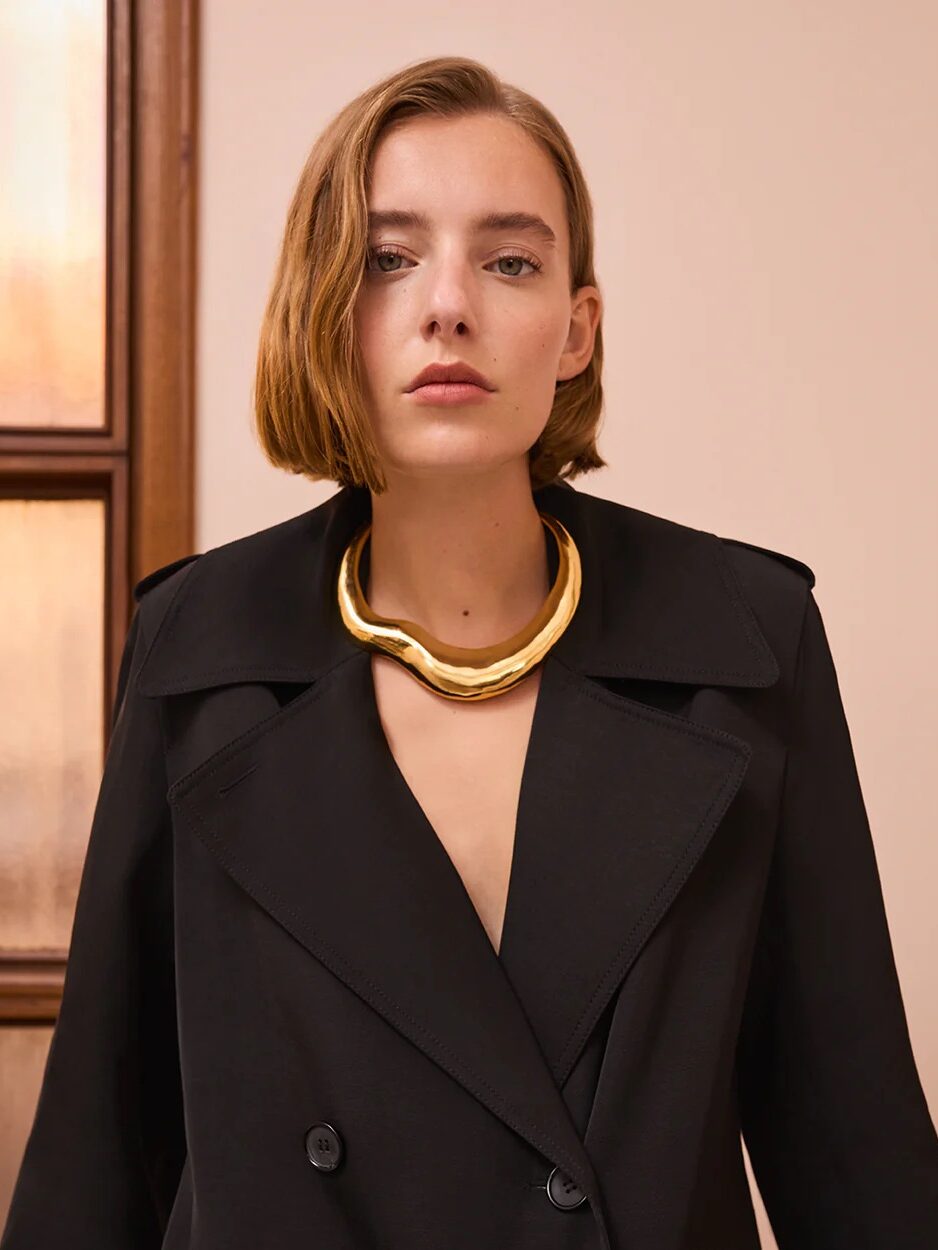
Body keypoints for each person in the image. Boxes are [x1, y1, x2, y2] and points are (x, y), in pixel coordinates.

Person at [3, 54, 937, 1250]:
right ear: (320, 308)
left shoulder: (745, 641)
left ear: (574, 329)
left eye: (509, 260)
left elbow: (854, 1160)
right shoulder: (198, 645)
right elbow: (95, 1157)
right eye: (389, 258)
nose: (448, 304)